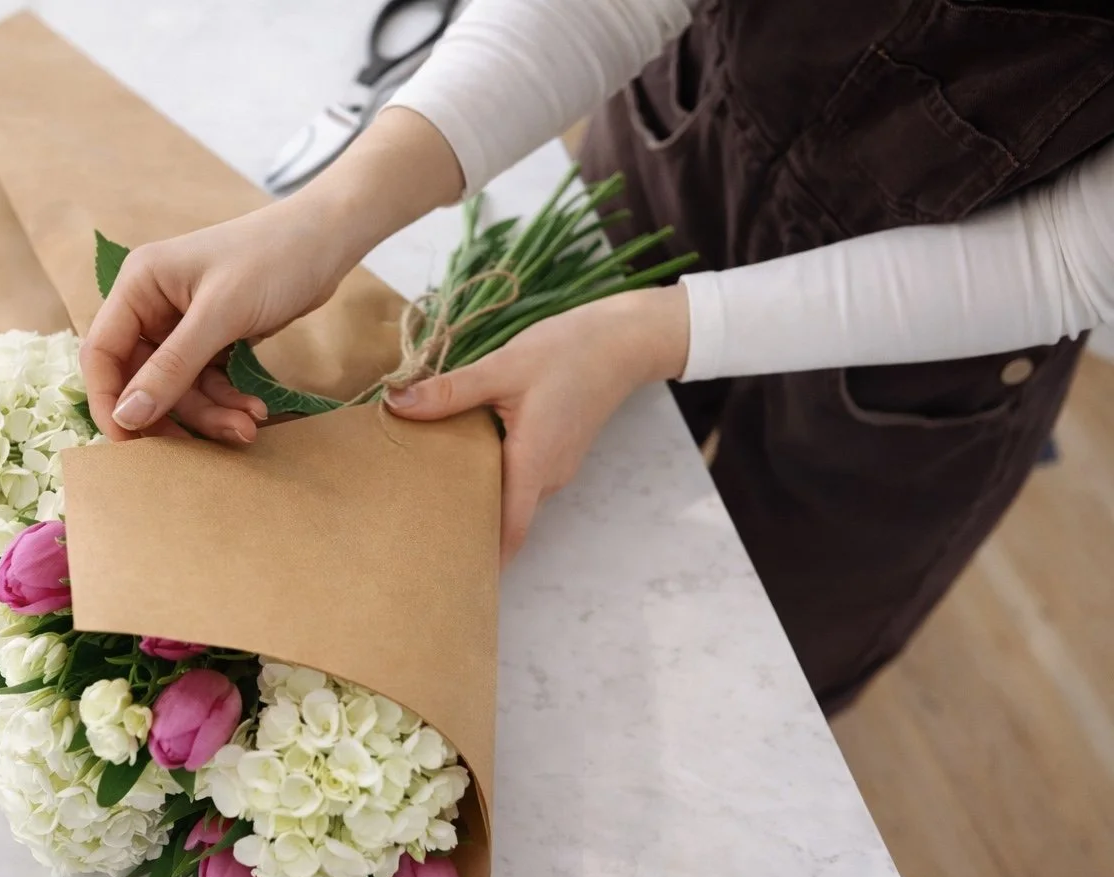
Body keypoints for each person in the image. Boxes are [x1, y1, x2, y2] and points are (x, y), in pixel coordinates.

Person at [80, 0, 1113, 711]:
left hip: (940, 336)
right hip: (685, 144)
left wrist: (644, 333)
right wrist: (334, 213)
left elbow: (1074, 254)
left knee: (763, 668)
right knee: (552, 579)